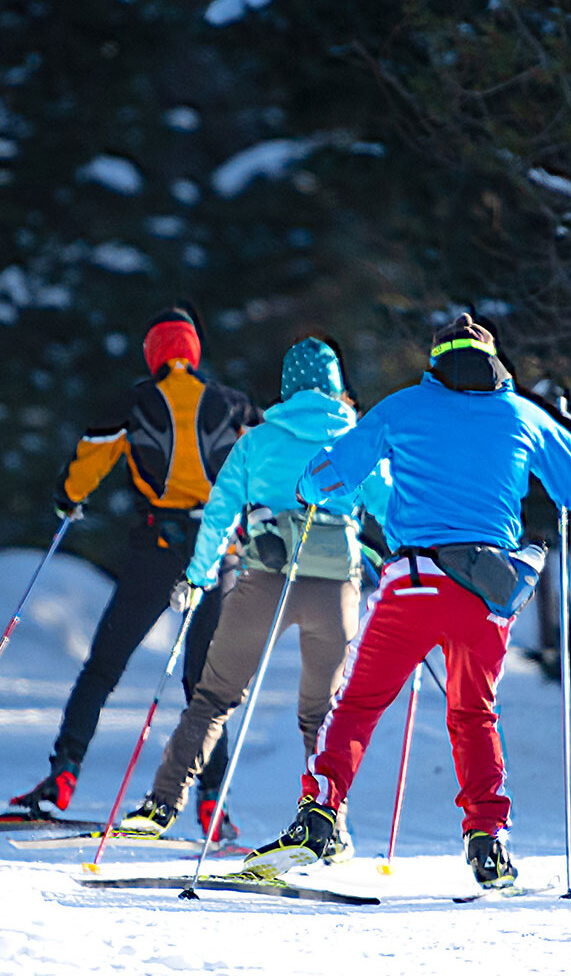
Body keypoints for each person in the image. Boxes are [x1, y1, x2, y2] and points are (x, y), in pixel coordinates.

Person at [241, 313, 571, 889]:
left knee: (357, 706)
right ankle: (488, 838)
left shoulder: (403, 407)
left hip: (414, 584)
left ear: (436, 361)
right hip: (485, 592)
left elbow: (326, 478)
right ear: (494, 361)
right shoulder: (523, 416)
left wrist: (310, 484)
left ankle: (320, 816)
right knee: (474, 713)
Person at [115, 336, 388, 848]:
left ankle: (161, 805)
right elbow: (390, 508)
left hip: (264, 580)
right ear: (338, 387)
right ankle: (329, 825)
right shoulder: (359, 440)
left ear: (287, 387)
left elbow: (219, 514)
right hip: (335, 588)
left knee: (214, 696)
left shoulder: (258, 440)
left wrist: (199, 576)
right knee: (321, 714)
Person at [11, 305, 261, 833]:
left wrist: (67, 498)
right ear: (192, 353)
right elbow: (261, 467)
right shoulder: (234, 404)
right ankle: (213, 801)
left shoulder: (134, 401)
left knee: (104, 666)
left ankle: (64, 773)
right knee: (204, 685)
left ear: (154, 354)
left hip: (157, 547)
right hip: (219, 554)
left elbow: (90, 460)